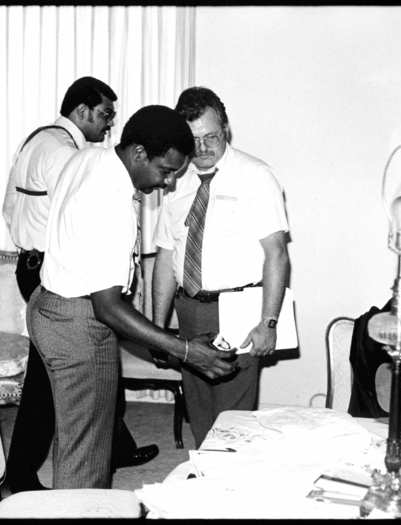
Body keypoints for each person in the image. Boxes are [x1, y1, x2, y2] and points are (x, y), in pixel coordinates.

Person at [30, 105, 238, 489]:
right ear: (139, 153)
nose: (169, 183)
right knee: (87, 452)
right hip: (78, 323)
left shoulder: (90, 156)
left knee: (80, 436)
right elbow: (107, 307)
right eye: (165, 171)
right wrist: (186, 351)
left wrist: (168, 343)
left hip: (51, 307)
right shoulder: (112, 202)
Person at [1, 77, 157, 494]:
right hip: (55, 274)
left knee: (70, 381)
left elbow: (10, 206)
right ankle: (20, 477)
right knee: (49, 390)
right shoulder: (66, 154)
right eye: (105, 114)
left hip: (36, 263)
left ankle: (111, 446)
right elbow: (79, 221)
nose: (109, 125)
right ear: (82, 111)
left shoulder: (39, 140)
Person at [151, 87, 291, 447]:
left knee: (232, 423)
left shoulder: (256, 175)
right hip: (189, 308)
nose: (201, 148)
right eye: (192, 140)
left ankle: (230, 493)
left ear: (225, 129)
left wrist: (268, 323)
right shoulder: (173, 180)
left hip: (236, 311)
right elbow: (167, 257)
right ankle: (205, 484)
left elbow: (276, 254)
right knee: (199, 413)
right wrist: (158, 328)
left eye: (210, 137)